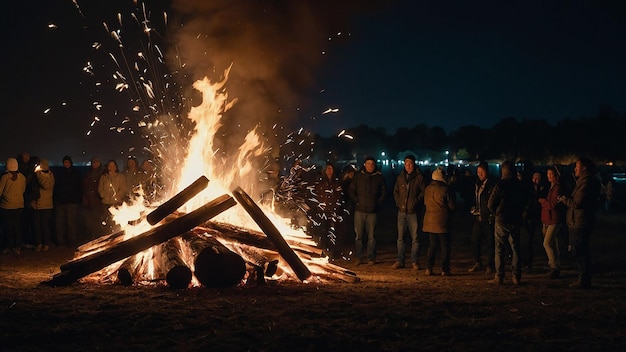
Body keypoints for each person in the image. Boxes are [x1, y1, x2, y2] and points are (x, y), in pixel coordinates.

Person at [558, 157, 601, 289]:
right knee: (581, 250)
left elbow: (577, 203)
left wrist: (564, 199)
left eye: (577, 166)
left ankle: (584, 279)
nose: (574, 169)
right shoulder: (584, 181)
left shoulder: (586, 183)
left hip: (580, 221)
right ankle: (584, 278)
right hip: (580, 220)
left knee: (580, 251)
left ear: (584, 168)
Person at [487, 160, 526, 285]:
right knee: (515, 248)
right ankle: (516, 277)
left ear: (503, 171)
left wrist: (496, 214)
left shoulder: (500, 185)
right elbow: (526, 202)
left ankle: (499, 276)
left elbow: (490, 204)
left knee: (499, 248)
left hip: (502, 219)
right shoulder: (519, 185)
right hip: (515, 219)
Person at [348, 156, 386, 265]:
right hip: (359, 210)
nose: (370, 166)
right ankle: (359, 257)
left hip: (372, 211)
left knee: (372, 237)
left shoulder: (378, 177)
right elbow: (351, 190)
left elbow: (384, 191)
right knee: (358, 236)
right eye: (368, 164)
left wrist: (377, 203)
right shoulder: (359, 176)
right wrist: (357, 201)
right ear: (364, 164)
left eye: (372, 164)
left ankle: (371, 258)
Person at [392, 154, 425, 270]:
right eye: (406, 163)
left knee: (415, 238)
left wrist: (415, 201)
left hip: (413, 212)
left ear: (414, 164)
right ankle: (400, 260)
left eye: (410, 163)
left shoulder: (419, 177)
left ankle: (415, 261)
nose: (408, 165)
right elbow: (395, 191)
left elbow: (423, 192)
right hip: (401, 211)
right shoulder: (400, 177)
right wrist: (398, 202)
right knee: (400, 238)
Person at [423, 167, 456, 276]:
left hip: (429, 221)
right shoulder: (445, 189)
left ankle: (428, 268)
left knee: (432, 245)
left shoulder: (427, 188)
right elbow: (452, 206)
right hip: (442, 221)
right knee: (444, 246)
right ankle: (444, 269)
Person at [468, 161, 497, 276]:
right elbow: (475, 198)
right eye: (478, 172)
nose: (480, 174)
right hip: (478, 217)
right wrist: (473, 208)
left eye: (482, 172)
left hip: (488, 217)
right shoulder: (477, 184)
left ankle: (490, 265)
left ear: (487, 172)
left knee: (489, 243)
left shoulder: (491, 185)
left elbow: (492, 201)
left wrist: (490, 212)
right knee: (474, 240)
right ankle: (477, 262)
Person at [538, 166, 564, 279]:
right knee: (553, 243)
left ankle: (553, 266)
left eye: (551, 174)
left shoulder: (557, 188)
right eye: (548, 174)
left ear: (556, 176)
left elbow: (552, 205)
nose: (549, 176)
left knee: (547, 243)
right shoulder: (552, 187)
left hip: (554, 219)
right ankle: (556, 265)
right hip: (549, 219)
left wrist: (543, 201)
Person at [313, 162, 343, 260]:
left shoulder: (336, 181)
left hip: (334, 210)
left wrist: (336, 207)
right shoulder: (321, 181)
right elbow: (317, 194)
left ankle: (333, 251)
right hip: (323, 211)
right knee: (323, 231)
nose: (329, 171)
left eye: (331, 169)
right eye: (327, 169)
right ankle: (324, 251)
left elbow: (339, 194)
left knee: (333, 231)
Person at [53, 155, 82, 247]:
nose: (66, 164)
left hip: (71, 202)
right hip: (61, 202)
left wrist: (76, 199)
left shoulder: (75, 174)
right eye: (65, 162)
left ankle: (72, 241)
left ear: (71, 163)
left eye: (68, 162)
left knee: (71, 223)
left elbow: (79, 188)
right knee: (60, 223)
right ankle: (60, 241)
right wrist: (57, 199)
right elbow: (56, 187)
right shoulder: (60, 174)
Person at [521, 171, 547, 273]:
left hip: (536, 215)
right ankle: (526, 262)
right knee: (526, 240)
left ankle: (529, 262)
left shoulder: (543, 188)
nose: (536, 180)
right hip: (528, 216)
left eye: (538, 178)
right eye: (534, 178)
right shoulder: (528, 188)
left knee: (530, 240)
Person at [0, 158, 26, 254]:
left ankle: (9, 246)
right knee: (17, 227)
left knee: (8, 227)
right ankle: (17, 246)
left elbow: (0, 191)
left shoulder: (5, 177)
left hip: (7, 206)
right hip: (19, 205)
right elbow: (23, 190)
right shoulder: (22, 177)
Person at [31, 159, 55, 252]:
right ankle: (43, 244)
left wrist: (37, 174)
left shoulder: (41, 176)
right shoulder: (51, 175)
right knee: (41, 226)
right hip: (45, 204)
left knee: (41, 226)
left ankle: (42, 244)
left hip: (42, 204)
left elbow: (45, 185)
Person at [98, 160, 128, 234]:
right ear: (107, 167)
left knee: (116, 221)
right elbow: (100, 188)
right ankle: (107, 236)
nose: (112, 167)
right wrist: (104, 196)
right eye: (110, 166)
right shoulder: (104, 177)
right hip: (106, 203)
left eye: (113, 166)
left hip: (116, 203)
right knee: (107, 221)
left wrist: (117, 197)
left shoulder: (120, 176)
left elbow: (123, 188)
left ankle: (116, 235)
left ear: (116, 167)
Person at [82, 157, 105, 240]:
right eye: (93, 162)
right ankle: (91, 237)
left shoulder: (103, 173)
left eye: (97, 162)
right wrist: (85, 199)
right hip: (89, 201)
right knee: (89, 222)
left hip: (99, 201)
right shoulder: (88, 174)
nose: (95, 164)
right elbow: (85, 187)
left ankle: (99, 237)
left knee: (98, 221)